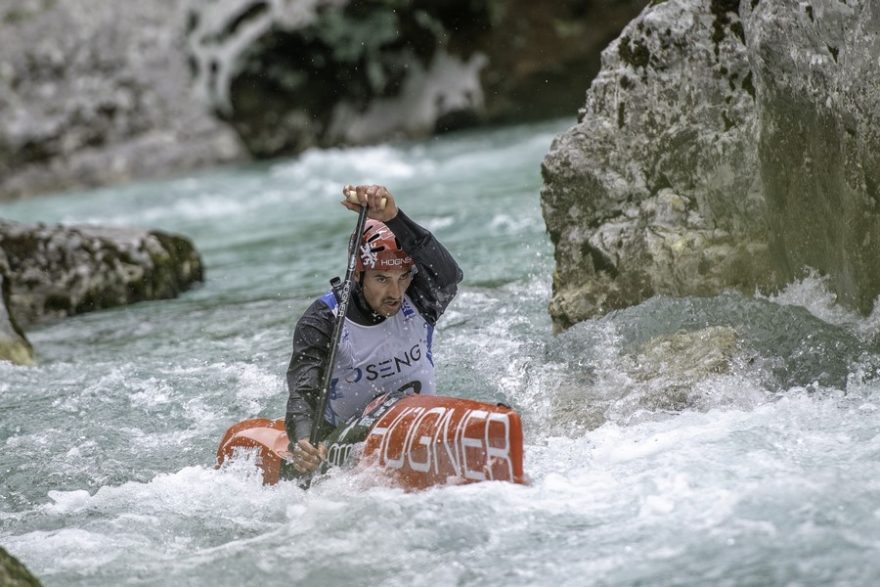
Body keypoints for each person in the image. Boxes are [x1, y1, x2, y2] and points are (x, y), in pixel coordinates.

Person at [285, 184, 463, 474]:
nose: (395, 292)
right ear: (358, 274)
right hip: (343, 443)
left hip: (420, 425)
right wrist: (303, 442)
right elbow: (302, 392)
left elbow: (450, 276)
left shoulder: (419, 298)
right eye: (382, 279)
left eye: (403, 277)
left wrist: (394, 217)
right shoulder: (323, 320)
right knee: (388, 405)